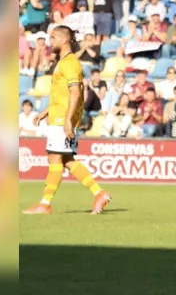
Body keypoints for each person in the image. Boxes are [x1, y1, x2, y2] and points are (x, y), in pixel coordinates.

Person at [22, 26, 111, 215]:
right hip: (59, 116)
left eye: (53, 38)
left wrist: (68, 120)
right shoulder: (63, 62)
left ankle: (45, 204)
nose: (50, 42)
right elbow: (61, 95)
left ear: (64, 40)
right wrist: (46, 111)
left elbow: (75, 93)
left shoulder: (70, 63)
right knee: (67, 159)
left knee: (55, 157)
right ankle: (99, 193)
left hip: (63, 119)